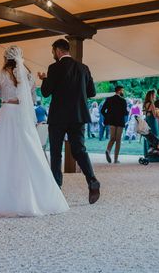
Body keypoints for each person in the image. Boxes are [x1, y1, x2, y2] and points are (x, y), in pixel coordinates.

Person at [0, 46, 69, 216]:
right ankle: (34, 196)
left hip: (7, 112)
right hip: (22, 114)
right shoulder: (28, 75)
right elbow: (34, 98)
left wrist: (1, 90)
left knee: (3, 150)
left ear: (6, 58)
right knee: (27, 149)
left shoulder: (2, 74)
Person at [39, 39, 100, 204]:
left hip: (58, 117)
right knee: (79, 150)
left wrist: (44, 79)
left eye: (53, 51)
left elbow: (45, 93)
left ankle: (56, 189)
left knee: (56, 153)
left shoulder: (53, 68)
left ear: (58, 51)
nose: (53, 54)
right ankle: (92, 181)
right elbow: (92, 92)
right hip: (78, 116)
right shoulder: (84, 68)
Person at [101, 86, 128, 163]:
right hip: (120, 121)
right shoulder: (123, 101)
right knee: (118, 140)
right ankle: (116, 159)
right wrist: (127, 111)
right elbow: (125, 113)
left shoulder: (109, 99)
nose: (123, 92)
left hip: (112, 121)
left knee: (112, 138)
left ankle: (108, 150)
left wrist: (108, 116)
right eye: (122, 90)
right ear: (119, 91)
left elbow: (102, 110)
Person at [142, 90, 159, 156]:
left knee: (148, 136)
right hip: (152, 121)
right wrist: (158, 111)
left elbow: (144, 113)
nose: (155, 96)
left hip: (147, 120)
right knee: (154, 136)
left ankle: (147, 154)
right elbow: (155, 115)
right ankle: (154, 155)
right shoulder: (152, 104)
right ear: (151, 96)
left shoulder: (145, 103)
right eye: (154, 95)